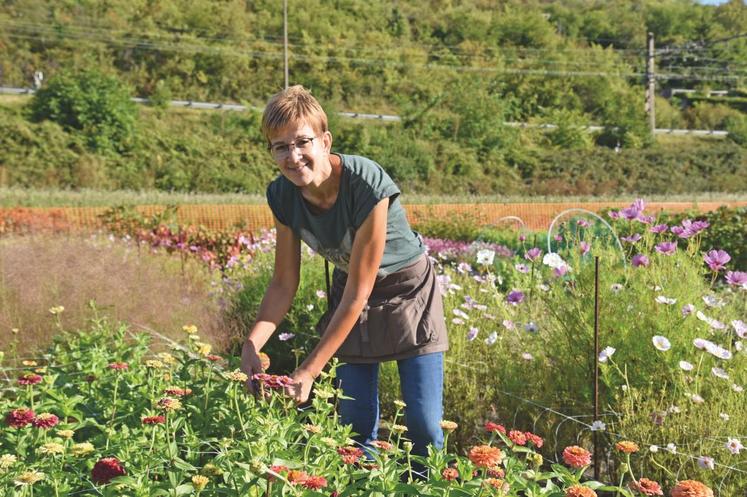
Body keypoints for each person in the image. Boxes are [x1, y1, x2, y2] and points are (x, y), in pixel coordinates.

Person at [240, 85, 448, 458]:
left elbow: (359, 292)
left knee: (423, 425)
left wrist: (307, 371)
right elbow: (284, 282)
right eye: (280, 147)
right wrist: (251, 344)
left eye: (303, 142)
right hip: (351, 296)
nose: (294, 156)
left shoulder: (364, 182)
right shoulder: (282, 196)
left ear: (325, 140)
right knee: (354, 424)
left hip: (408, 292)